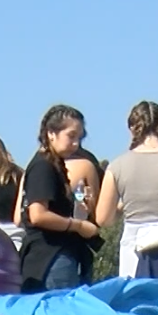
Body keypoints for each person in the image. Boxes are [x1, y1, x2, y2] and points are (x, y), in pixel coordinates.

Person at [94, 100, 158, 278]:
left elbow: (103, 218)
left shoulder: (117, 166)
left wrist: (122, 208)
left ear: (132, 128)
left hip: (133, 244)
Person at [18, 104, 101, 292]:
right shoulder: (43, 166)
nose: (76, 144)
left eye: (79, 138)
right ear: (51, 133)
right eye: (71, 136)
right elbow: (38, 215)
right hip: (51, 256)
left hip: (56, 254)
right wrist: (78, 226)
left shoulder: (55, 165)